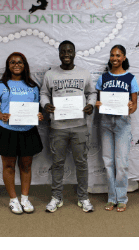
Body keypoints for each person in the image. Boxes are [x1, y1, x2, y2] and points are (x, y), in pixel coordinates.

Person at [41, 40, 97, 213]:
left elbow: (92, 92)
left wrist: (91, 104)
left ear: (74, 53)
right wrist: (45, 104)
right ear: (59, 53)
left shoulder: (84, 73)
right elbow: (44, 93)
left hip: (79, 125)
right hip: (58, 127)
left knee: (81, 163)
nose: (66, 54)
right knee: (57, 163)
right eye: (63, 51)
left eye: (69, 51)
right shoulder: (50, 74)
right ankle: (56, 197)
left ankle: (83, 198)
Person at [0, 52, 45, 214]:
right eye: (12, 62)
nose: (16, 64)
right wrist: (1, 115)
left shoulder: (33, 86)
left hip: (28, 132)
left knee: (26, 165)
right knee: (9, 166)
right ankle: (13, 199)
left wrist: (39, 115)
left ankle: (25, 199)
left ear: (25, 65)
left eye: (20, 62)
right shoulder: (0, 85)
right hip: (7, 132)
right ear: (8, 65)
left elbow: (37, 109)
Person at [95, 45, 139, 212]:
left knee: (121, 163)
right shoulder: (103, 78)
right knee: (108, 162)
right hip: (105, 123)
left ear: (124, 58)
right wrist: (98, 104)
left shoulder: (130, 78)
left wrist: (129, 106)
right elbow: (98, 101)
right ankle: (111, 198)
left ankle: (121, 198)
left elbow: (134, 106)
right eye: (112, 55)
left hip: (122, 123)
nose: (115, 58)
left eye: (118, 55)